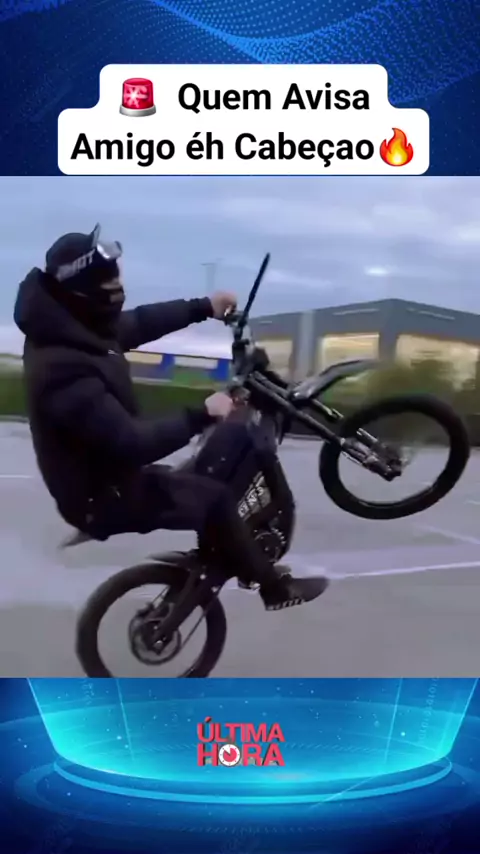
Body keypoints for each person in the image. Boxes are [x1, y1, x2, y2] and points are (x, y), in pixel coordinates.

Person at [13, 225, 329, 611]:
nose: (121, 287)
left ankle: (224, 545)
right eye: (111, 282)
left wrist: (205, 306)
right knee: (215, 498)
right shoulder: (62, 367)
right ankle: (273, 589)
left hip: (108, 476)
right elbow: (131, 443)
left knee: (219, 452)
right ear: (85, 290)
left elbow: (142, 321)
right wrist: (202, 413)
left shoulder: (78, 326)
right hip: (103, 496)